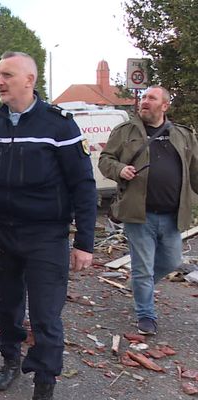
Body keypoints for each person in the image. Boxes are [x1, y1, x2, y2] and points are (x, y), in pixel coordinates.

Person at [0, 51, 96, 400]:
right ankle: (10, 360)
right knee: (8, 304)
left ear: (29, 80)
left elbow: (83, 184)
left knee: (46, 315)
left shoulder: (58, 125)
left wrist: (85, 242)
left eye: (7, 75)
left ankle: (44, 382)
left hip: (46, 236)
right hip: (0, 232)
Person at [98, 85, 198, 335]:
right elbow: (105, 160)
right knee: (142, 267)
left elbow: (195, 169)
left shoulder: (183, 134)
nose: (144, 101)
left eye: (151, 98)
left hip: (173, 214)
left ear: (164, 106)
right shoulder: (125, 131)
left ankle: (141, 285)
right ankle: (146, 315)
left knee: (172, 260)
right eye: (143, 97)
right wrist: (119, 169)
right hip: (138, 214)